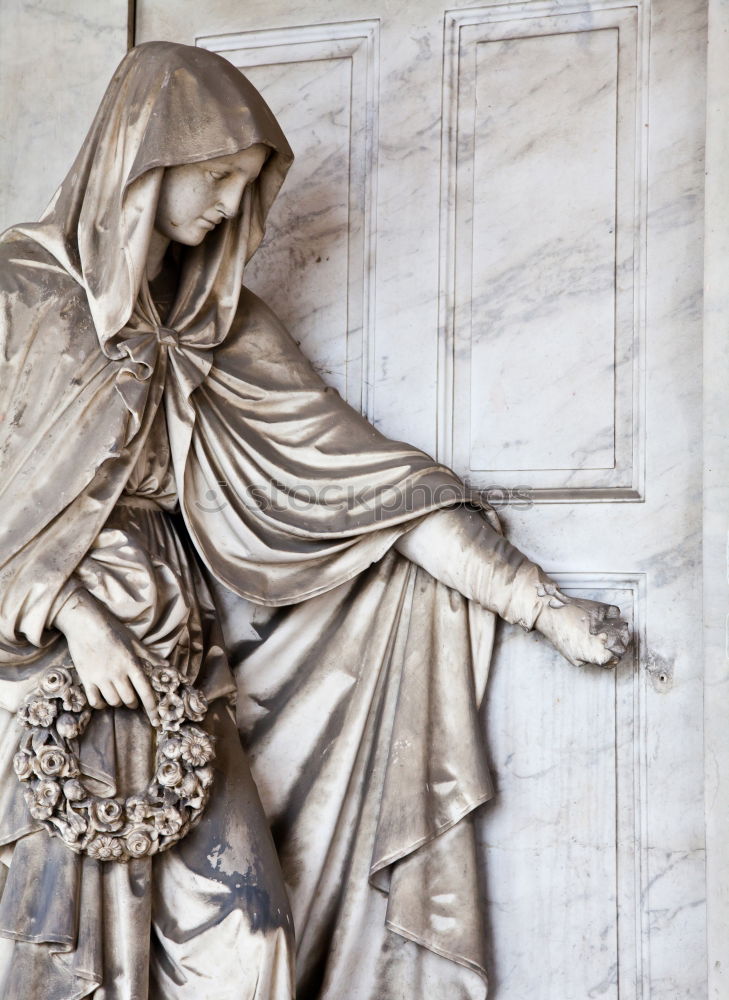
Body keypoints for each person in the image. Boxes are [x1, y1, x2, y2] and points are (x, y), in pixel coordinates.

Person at [0, 41, 629, 1000]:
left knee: (249, 951)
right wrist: (79, 622)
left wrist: (542, 606)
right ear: (143, 155)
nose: (224, 201)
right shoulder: (17, 292)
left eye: (242, 183)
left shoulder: (222, 330)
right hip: (39, 664)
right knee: (54, 967)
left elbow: (371, 489)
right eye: (212, 173)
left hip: (175, 670)